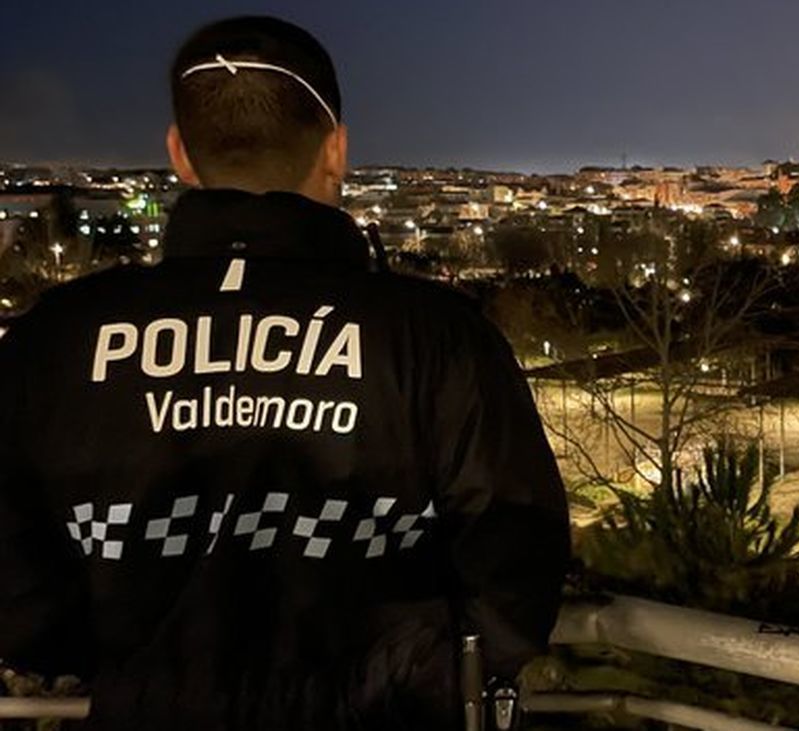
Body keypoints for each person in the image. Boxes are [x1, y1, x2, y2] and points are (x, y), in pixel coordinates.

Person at [0, 15, 570, 729]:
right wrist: (412, 664)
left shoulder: (55, 340)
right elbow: (516, 560)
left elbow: (18, 588)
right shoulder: (438, 337)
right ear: (336, 149)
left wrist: (129, 663)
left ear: (179, 153)